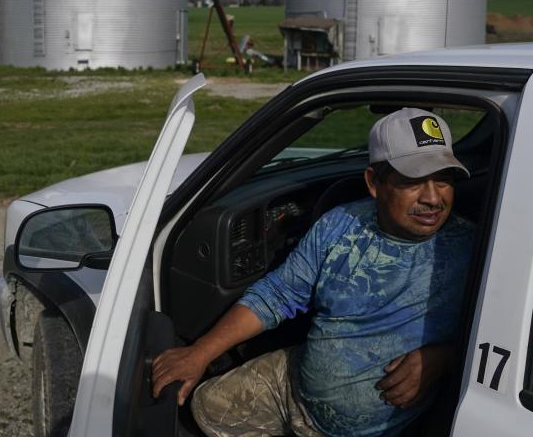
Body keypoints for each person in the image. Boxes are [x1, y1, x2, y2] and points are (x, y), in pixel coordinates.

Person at [152, 108, 477, 437]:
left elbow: (506, 343)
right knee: (206, 403)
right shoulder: (340, 225)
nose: (433, 198)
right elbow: (278, 295)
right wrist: (200, 352)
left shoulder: (471, 249)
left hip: (371, 430)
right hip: (293, 387)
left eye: (443, 180)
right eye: (413, 182)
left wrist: (445, 358)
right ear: (374, 183)